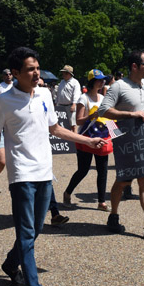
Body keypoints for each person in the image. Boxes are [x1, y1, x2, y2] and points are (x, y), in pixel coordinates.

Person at [0, 47, 105, 286]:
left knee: (35, 229)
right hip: (22, 175)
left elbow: (55, 129)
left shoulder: (47, 94)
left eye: (37, 67)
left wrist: (87, 140)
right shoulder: (4, 101)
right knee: (27, 233)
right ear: (15, 74)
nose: (36, 73)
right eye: (30, 69)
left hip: (44, 173)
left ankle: (11, 264)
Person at [99, 50, 144, 241]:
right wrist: (118, 133)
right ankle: (113, 215)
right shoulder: (118, 86)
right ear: (134, 66)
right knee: (124, 180)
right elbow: (104, 111)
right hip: (126, 141)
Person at [63, 69, 110, 211]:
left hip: (102, 136)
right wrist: (91, 116)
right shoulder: (83, 98)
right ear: (92, 82)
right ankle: (67, 192)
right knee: (83, 170)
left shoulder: (102, 98)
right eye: (99, 80)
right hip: (86, 138)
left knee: (103, 171)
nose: (102, 82)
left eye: (103, 80)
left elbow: (107, 118)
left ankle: (101, 202)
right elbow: (78, 120)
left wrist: (115, 133)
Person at [56, 65, 82, 133]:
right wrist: (56, 103)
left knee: (72, 124)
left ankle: (74, 139)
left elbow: (76, 94)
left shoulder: (75, 82)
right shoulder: (62, 82)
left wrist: (74, 104)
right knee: (61, 123)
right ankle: (65, 139)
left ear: (68, 73)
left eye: (64, 73)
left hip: (70, 106)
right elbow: (58, 93)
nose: (62, 74)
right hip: (61, 106)